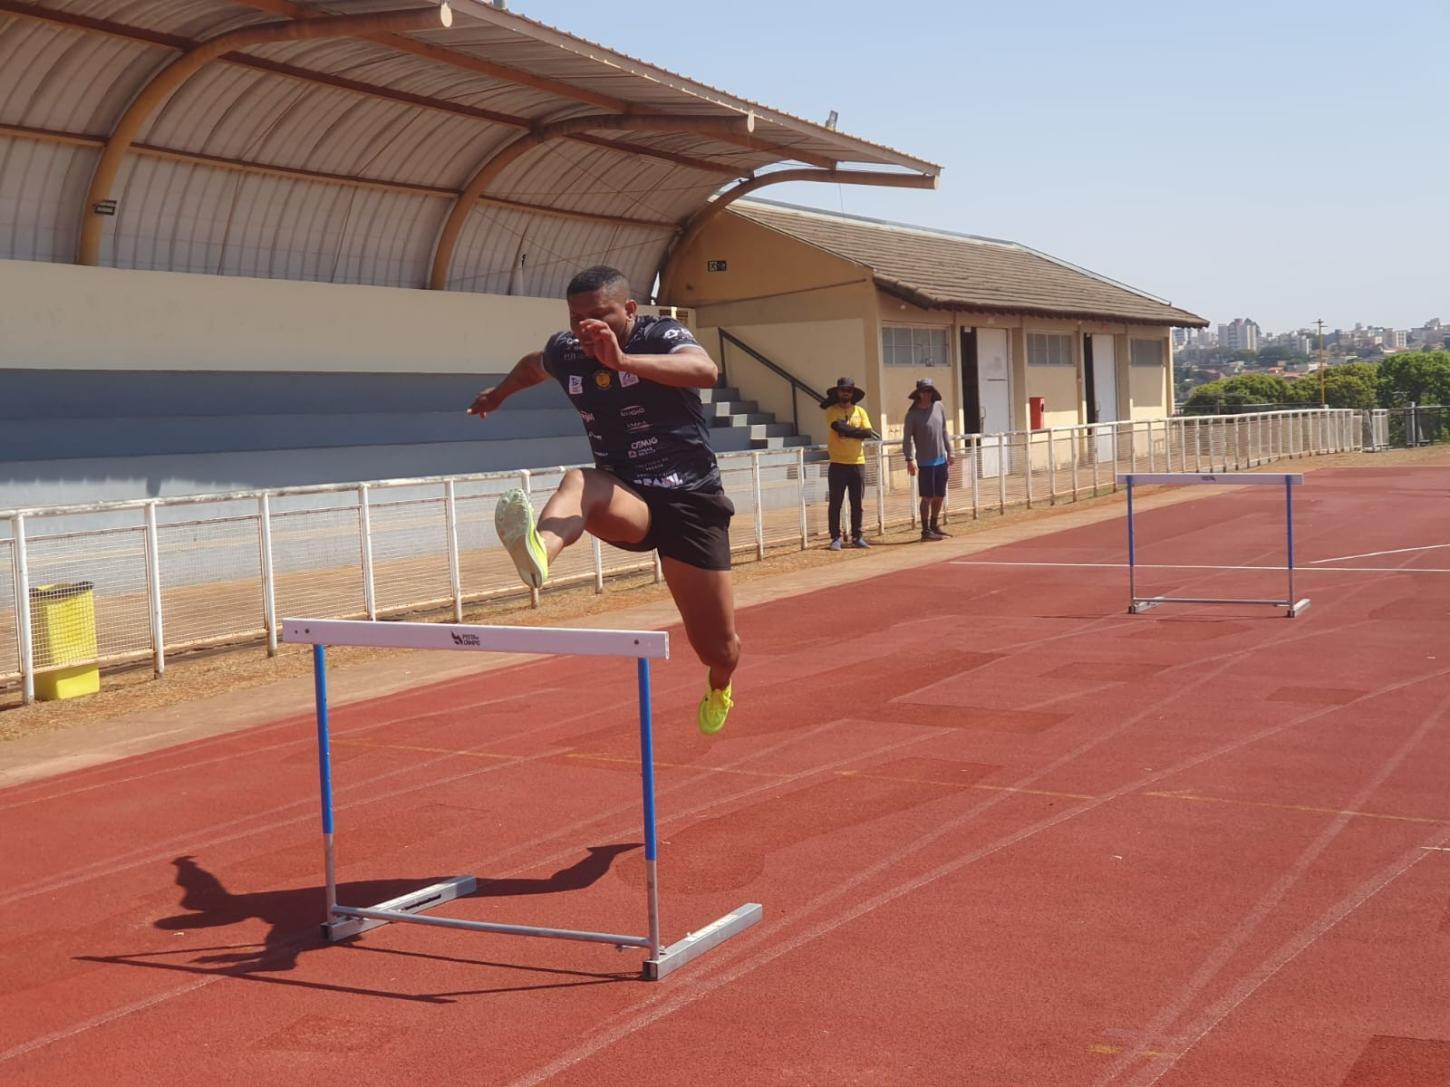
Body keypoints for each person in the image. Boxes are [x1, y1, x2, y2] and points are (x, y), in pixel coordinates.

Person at [467, 266, 739, 735]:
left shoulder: (658, 335)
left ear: (629, 310)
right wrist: (498, 394)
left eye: (599, 315)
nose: (586, 327)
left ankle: (721, 685)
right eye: (576, 317)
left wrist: (623, 363)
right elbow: (535, 364)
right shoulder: (568, 350)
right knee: (580, 480)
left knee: (717, 648)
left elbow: (705, 371)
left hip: (691, 500)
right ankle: (538, 554)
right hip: (627, 494)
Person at [820, 377, 876, 551]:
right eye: (843, 390)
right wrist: (857, 432)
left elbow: (868, 432)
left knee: (857, 503)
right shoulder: (831, 411)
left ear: (853, 393)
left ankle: (857, 536)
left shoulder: (860, 412)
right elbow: (838, 427)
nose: (846, 393)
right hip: (838, 463)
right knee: (835, 502)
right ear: (838, 392)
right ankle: (835, 537)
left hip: (857, 462)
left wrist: (853, 431)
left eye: (849, 390)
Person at [901, 378, 955, 541]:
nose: (927, 394)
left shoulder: (939, 407)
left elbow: (944, 430)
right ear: (918, 394)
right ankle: (925, 530)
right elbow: (906, 438)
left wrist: (950, 451)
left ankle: (934, 525)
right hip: (925, 462)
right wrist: (909, 459)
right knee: (927, 496)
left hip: (941, 460)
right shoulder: (912, 415)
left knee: (939, 495)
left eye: (929, 391)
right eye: (924, 391)